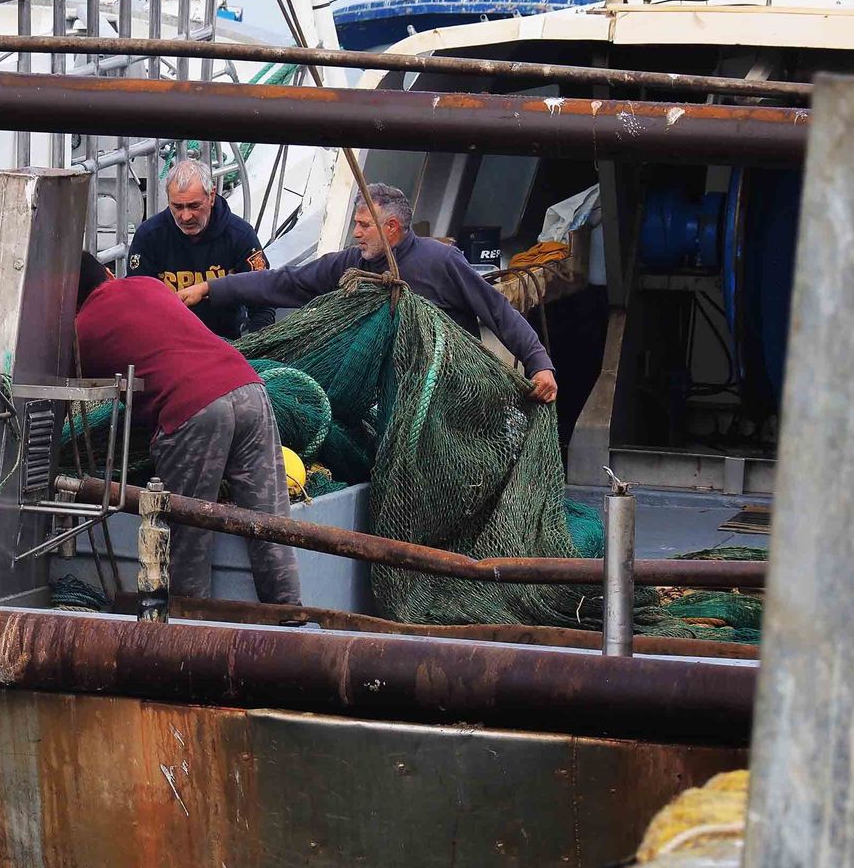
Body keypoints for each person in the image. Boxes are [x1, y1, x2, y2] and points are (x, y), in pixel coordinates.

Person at [178, 182, 560, 403]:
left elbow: (497, 310)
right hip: (385, 393)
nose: (355, 232)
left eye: (363, 225)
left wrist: (538, 361)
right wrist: (212, 288)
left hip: (447, 391)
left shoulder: (440, 261)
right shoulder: (349, 264)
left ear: (391, 227)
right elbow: (284, 283)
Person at [73, 252, 301, 606]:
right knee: (270, 525)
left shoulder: (81, 330)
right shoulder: (148, 284)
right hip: (249, 388)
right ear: (106, 272)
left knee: (188, 537)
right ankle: (291, 619)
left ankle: (191, 634)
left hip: (194, 409)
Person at [127, 159, 276, 341]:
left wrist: (254, 347)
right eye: (177, 207)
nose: (186, 216)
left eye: (194, 206)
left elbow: (262, 301)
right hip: (166, 344)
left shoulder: (240, 236)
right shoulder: (149, 237)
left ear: (211, 196)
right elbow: (137, 303)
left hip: (227, 342)